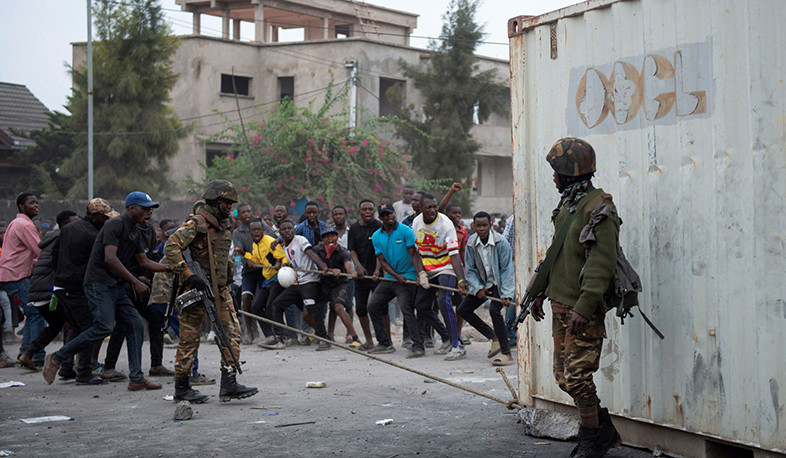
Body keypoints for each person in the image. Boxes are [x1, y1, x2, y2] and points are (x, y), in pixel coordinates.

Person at [530, 138, 621, 457]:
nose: (553, 177)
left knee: (578, 376)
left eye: (556, 171)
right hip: (559, 304)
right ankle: (604, 429)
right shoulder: (568, 205)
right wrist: (540, 291)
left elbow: (602, 262)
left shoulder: (598, 207)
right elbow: (558, 255)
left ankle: (591, 440)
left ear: (569, 173)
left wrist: (585, 305)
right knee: (563, 377)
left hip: (583, 309)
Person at [42, 192, 167, 391]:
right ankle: (57, 357)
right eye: (145, 208)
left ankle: (136, 379)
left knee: (134, 323)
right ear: (131, 208)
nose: (149, 212)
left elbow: (143, 261)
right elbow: (110, 258)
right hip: (98, 283)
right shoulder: (115, 224)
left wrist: (172, 268)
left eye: (151, 208)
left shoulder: (134, 230)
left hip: (115, 284)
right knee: (103, 326)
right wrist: (135, 281)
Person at [165, 180, 258, 404]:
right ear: (214, 202)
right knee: (189, 339)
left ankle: (229, 383)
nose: (230, 207)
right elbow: (171, 247)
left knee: (231, 333)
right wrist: (189, 275)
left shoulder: (228, 224)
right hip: (196, 290)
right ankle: (182, 388)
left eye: (231, 204)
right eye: (226, 203)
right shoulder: (197, 223)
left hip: (221, 289)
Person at [16, 211, 82, 373]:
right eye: (74, 223)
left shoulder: (51, 238)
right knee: (74, 323)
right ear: (65, 225)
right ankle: (65, 364)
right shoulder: (64, 238)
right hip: (50, 291)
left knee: (55, 325)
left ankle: (29, 353)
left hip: (38, 290)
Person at [411, 193, 467, 361]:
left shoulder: (446, 224)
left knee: (444, 300)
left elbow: (454, 254)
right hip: (428, 269)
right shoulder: (416, 223)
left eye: (435, 206)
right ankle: (446, 338)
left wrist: (461, 279)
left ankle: (458, 346)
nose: (433, 210)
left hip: (446, 267)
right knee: (421, 305)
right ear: (420, 208)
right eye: (429, 207)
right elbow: (416, 253)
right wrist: (421, 273)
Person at [456, 211, 515, 366]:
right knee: (463, 310)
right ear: (473, 226)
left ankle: (507, 353)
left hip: (498, 284)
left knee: (494, 311)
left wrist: (507, 294)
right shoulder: (471, 243)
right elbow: (470, 270)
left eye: (484, 225)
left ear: (490, 225)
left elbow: (507, 269)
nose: (481, 228)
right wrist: (477, 288)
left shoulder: (501, 242)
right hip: (482, 284)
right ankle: (493, 336)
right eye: (478, 225)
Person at [366, 203, 423, 356]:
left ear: (394, 214)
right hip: (391, 277)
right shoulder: (377, 236)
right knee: (372, 306)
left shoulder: (406, 231)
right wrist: (395, 276)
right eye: (384, 214)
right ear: (380, 218)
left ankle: (418, 346)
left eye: (390, 213)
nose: (388, 216)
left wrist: (419, 275)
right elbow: (382, 260)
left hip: (408, 276)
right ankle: (385, 343)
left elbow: (414, 255)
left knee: (406, 309)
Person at [268, 220, 332, 351]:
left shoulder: (300, 240)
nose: (287, 231)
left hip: (310, 280)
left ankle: (324, 338)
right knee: (277, 304)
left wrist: (323, 267)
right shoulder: (285, 246)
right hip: (298, 282)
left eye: (290, 228)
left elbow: (310, 253)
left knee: (311, 309)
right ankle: (282, 337)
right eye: (284, 229)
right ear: (280, 232)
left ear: (294, 229)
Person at [0, 193, 43, 366]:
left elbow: (22, 254)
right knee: (36, 313)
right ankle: (35, 355)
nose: (36, 206)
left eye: (37, 203)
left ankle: (25, 352)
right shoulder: (25, 225)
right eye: (32, 203)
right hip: (16, 276)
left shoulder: (17, 223)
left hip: (11, 275)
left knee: (32, 313)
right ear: (21, 206)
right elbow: (40, 250)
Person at [233, 203, 275, 345]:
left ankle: (271, 332)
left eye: (249, 211)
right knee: (246, 298)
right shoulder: (237, 233)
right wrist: (246, 261)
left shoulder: (261, 226)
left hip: (264, 269)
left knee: (264, 301)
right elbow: (239, 251)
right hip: (249, 271)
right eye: (243, 212)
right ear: (239, 214)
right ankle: (250, 331)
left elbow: (272, 239)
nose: (247, 214)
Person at [313, 227, 361, 347]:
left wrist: (352, 273)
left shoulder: (343, 251)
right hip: (323, 284)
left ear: (337, 238)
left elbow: (348, 265)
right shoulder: (317, 250)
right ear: (323, 239)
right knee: (311, 311)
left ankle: (355, 338)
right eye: (326, 237)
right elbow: (316, 263)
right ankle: (326, 336)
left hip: (340, 284)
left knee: (338, 307)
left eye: (332, 236)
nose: (330, 239)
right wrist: (330, 270)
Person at [241, 219, 287, 343]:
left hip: (277, 278)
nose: (256, 232)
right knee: (256, 307)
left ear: (262, 230)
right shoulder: (255, 245)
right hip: (266, 279)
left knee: (271, 306)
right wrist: (248, 260)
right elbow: (256, 260)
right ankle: (269, 336)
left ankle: (281, 336)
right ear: (250, 232)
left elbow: (283, 257)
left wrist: (278, 262)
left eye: (258, 229)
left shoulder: (270, 241)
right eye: (254, 230)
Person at [347, 199, 382, 350]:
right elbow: (352, 250)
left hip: (377, 274)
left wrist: (377, 269)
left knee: (381, 307)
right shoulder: (354, 229)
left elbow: (381, 251)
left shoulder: (379, 227)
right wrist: (358, 266)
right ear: (359, 212)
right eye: (364, 209)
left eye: (370, 209)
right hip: (361, 276)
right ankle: (369, 340)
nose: (368, 212)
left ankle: (385, 341)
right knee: (361, 308)